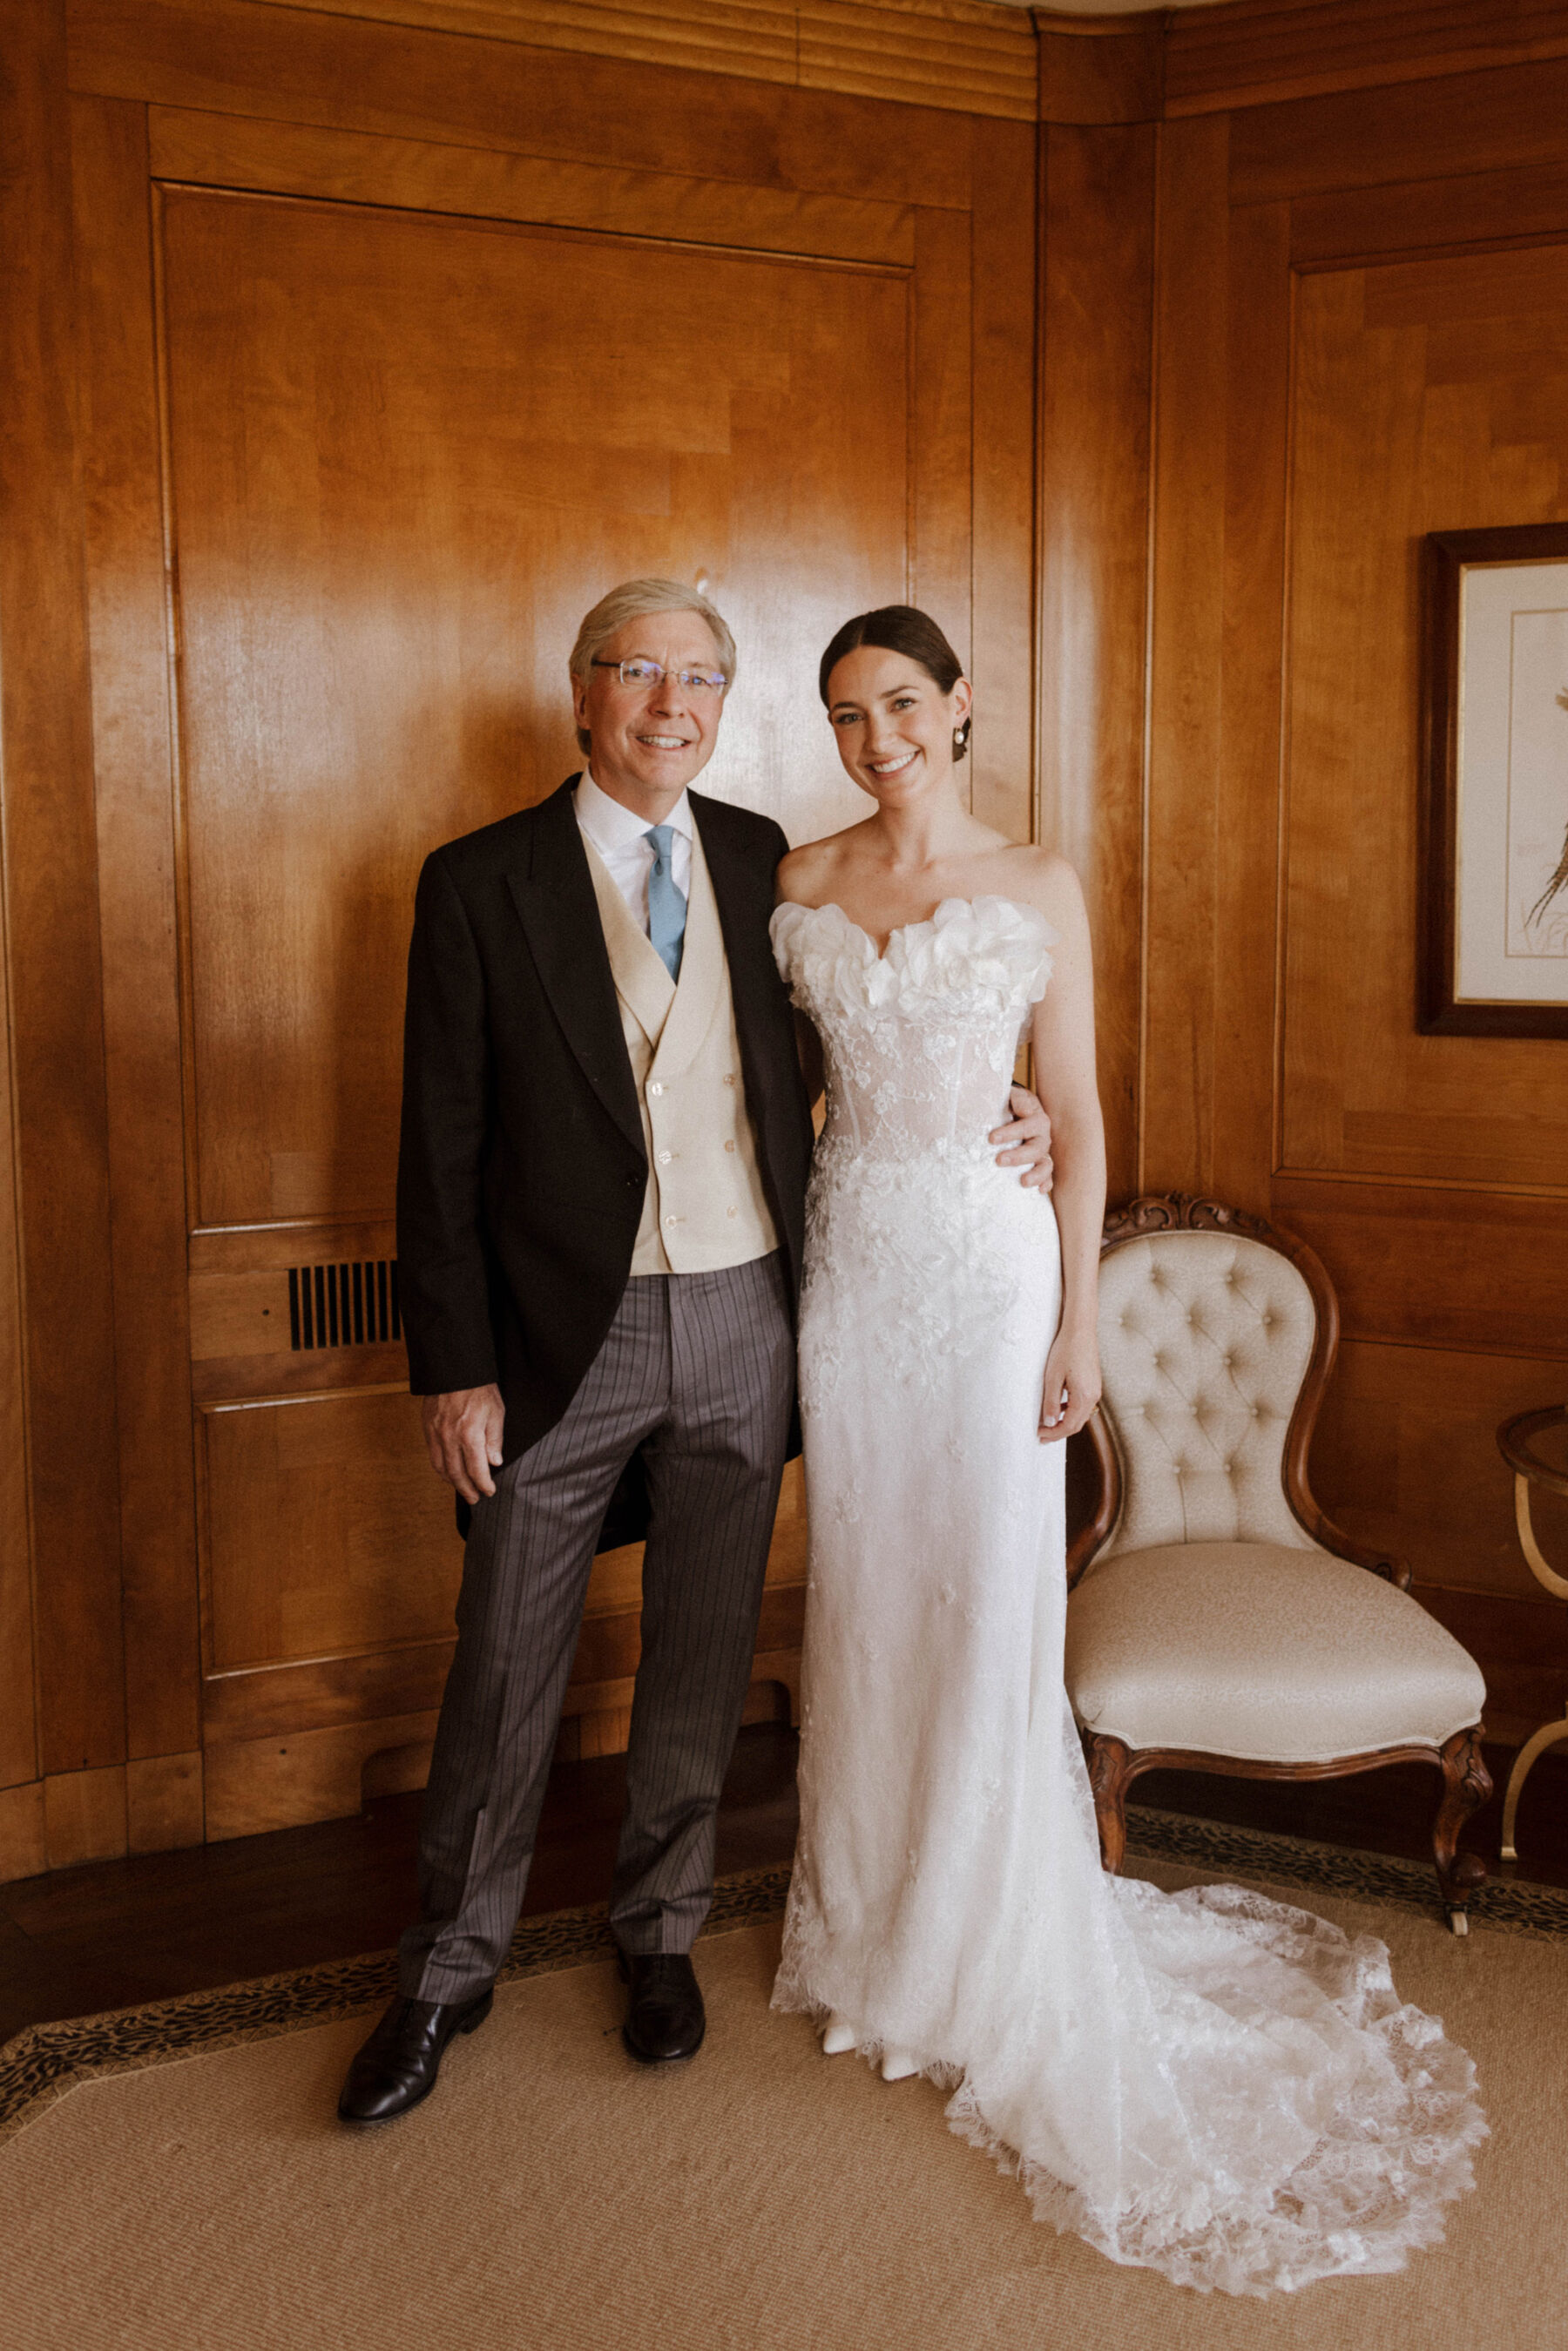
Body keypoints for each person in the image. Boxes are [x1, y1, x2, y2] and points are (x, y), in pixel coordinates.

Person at [767, 604, 1485, 2295]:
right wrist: (827, 1125)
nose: (876, 740)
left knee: (983, 1600)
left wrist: (1080, 1321)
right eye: (848, 715)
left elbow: (1078, 1118)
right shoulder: (795, 885)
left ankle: (985, 1940)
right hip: (850, 1273)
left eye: (901, 707)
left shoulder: (1037, 883)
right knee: (869, 1598)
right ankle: (872, 1940)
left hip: (992, 1275)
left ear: (958, 711)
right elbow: (762, 1079)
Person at [339, 578, 1055, 2125]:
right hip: (554, 1339)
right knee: (507, 1656)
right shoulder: (476, 882)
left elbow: (876, 1053)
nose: (674, 703)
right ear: (583, 693)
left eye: (703, 678)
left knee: (703, 1651)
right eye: (641, 672)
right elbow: (438, 1145)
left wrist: (1024, 1104)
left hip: (752, 1315)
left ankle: (657, 1936)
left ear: (727, 706)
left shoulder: (758, 862)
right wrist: (452, 1367)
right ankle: (445, 1973)